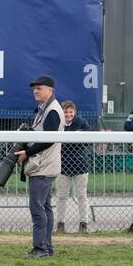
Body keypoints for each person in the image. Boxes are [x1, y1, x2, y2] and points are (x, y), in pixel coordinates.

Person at [14, 75, 64, 258]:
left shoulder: (51, 110)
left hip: (43, 166)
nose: (36, 91)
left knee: (37, 208)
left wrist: (27, 152)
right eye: (34, 88)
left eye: (39, 88)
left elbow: (49, 139)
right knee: (45, 207)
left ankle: (40, 248)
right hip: (44, 165)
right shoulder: (45, 109)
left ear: (50, 91)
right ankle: (47, 247)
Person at [56, 100, 92, 233]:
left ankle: (84, 223)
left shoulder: (82, 123)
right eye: (66, 112)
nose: (68, 114)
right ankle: (60, 223)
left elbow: (88, 141)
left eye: (71, 112)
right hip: (62, 165)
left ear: (75, 112)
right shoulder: (58, 124)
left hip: (80, 164)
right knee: (61, 195)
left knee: (82, 195)